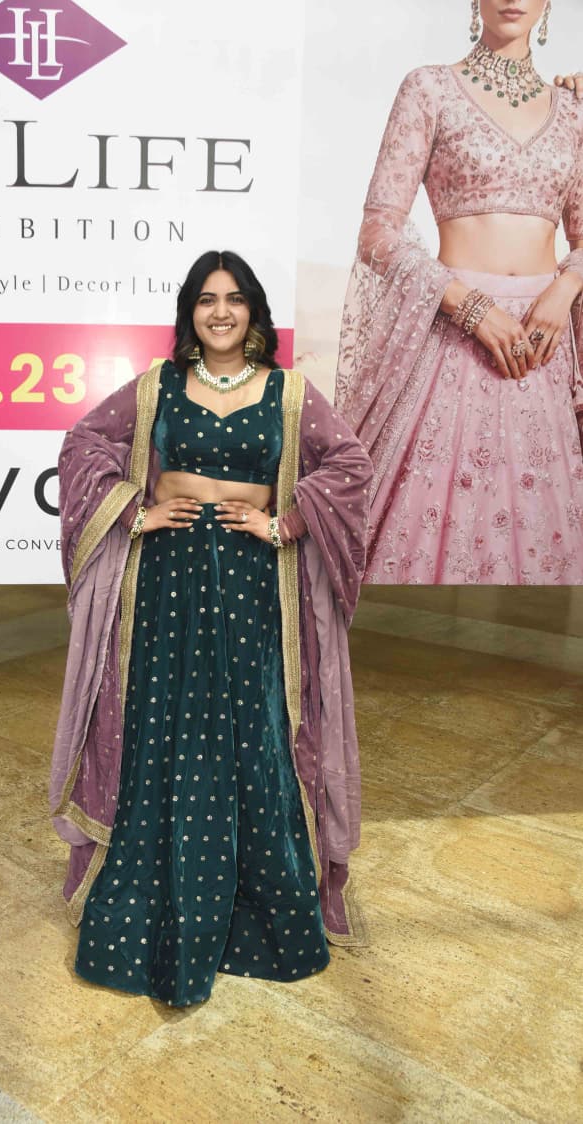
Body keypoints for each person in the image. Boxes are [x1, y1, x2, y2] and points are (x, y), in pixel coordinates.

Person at [49, 250, 373, 1007]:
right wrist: (135, 512)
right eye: (205, 299)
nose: (219, 312)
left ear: (253, 310)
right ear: (189, 312)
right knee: (163, 724)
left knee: (252, 726)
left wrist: (286, 522)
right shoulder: (158, 385)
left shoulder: (289, 393)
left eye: (233, 299)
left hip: (253, 589)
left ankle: (259, 908)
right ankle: (149, 909)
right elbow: (84, 446)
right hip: (166, 585)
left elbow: (349, 465)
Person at [335, 0, 583, 584]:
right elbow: (378, 233)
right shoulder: (430, 89)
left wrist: (565, 289)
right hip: (454, 345)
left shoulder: (574, 109)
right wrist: (469, 306)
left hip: (542, 352)